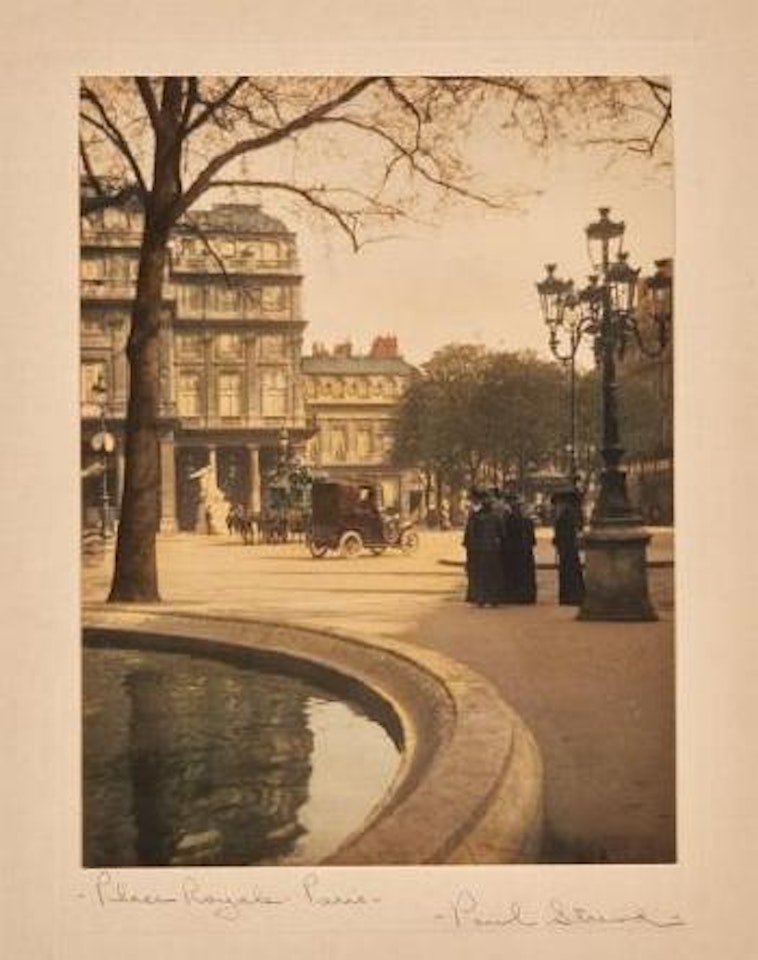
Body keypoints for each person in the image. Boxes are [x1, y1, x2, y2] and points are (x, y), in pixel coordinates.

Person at [463, 490, 504, 606]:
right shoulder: (496, 517)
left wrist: (473, 547)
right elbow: (502, 533)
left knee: (481, 574)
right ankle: (493, 598)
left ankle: (481, 597)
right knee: (493, 574)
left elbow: (471, 534)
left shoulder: (476, 517)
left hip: (480, 550)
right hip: (493, 550)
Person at [552, 490, 585, 605]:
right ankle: (571, 595)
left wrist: (557, 540)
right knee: (570, 571)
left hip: (567, 548)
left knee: (569, 571)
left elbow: (565, 532)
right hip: (567, 547)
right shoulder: (568, 514)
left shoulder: (566, 515)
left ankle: (571, 596)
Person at [503, 494, 537, 604]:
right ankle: (526, 595)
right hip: (524, 551)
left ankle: (515, 595)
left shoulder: (508, 520)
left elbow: (506, 536)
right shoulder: (528, 521)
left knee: (515, 574)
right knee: (524, 574)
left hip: (513, 551)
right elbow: (532, 540)